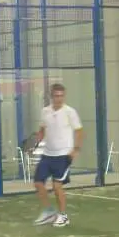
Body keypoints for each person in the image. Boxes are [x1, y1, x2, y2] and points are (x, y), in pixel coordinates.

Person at [33, 83, 83, 227]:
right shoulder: (45, 111)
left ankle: (63, 216)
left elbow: (79, 131)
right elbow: (42, 130)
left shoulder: (70, 112)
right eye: (56, 96)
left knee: (57, 186)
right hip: (47, 154)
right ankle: (49, 212)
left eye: (61, 96)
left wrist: (76, 149)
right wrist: (35, 143)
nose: (59, 99)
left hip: (63, 155)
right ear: (51, 96)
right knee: (38, 183)